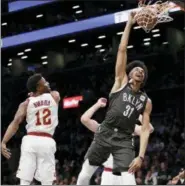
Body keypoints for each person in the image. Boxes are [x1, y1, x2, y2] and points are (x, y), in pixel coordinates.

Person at [77, 11, 152, 185]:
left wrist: (141, 156)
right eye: (136, 69)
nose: (140, 70)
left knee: (129, 181)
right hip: (105, 132)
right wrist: (129, 23)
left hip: (124, 140)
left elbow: (147, 130)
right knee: (83, 176)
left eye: (143, 71)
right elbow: (122, 50)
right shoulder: (120, 82)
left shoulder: (146, 101)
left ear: (143, 79)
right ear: (129, 74)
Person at [1, 74, 60, 185]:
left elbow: (15, 123)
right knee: (47, 180)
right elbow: (53, 93)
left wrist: (4, 141)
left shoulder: (26, 103)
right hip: (47, 140)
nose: (47, 83)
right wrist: (40, 93)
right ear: (38, 87)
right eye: (45, 82)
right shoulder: (54, 96)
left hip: (30, 140)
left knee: (25, 178)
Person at [80, 97, 154, 185]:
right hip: (108, 174)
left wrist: (137, 115)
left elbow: (149, 129)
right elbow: (84, 119)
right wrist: (98, 104)